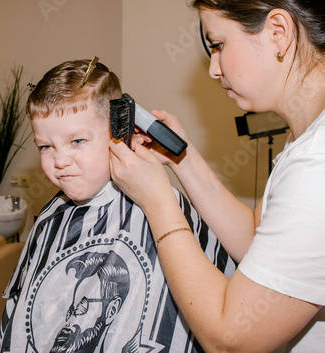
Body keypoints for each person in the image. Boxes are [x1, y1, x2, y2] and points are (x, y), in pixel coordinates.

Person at [109, 1, 325, 352]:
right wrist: (183, 160)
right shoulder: (305, 139)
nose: (213, 69)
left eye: (219, 45)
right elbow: (257, 240)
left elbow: (230, 338)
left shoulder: (318, 162)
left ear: (278, 33)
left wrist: (157, 200)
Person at [0, 59, 237, 352]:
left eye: (77, 141)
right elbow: (18, 320)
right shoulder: (49, 218)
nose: (59, 160)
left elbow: (221, 311)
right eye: (46, 146)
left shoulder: (160, 204)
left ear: (117, 132)